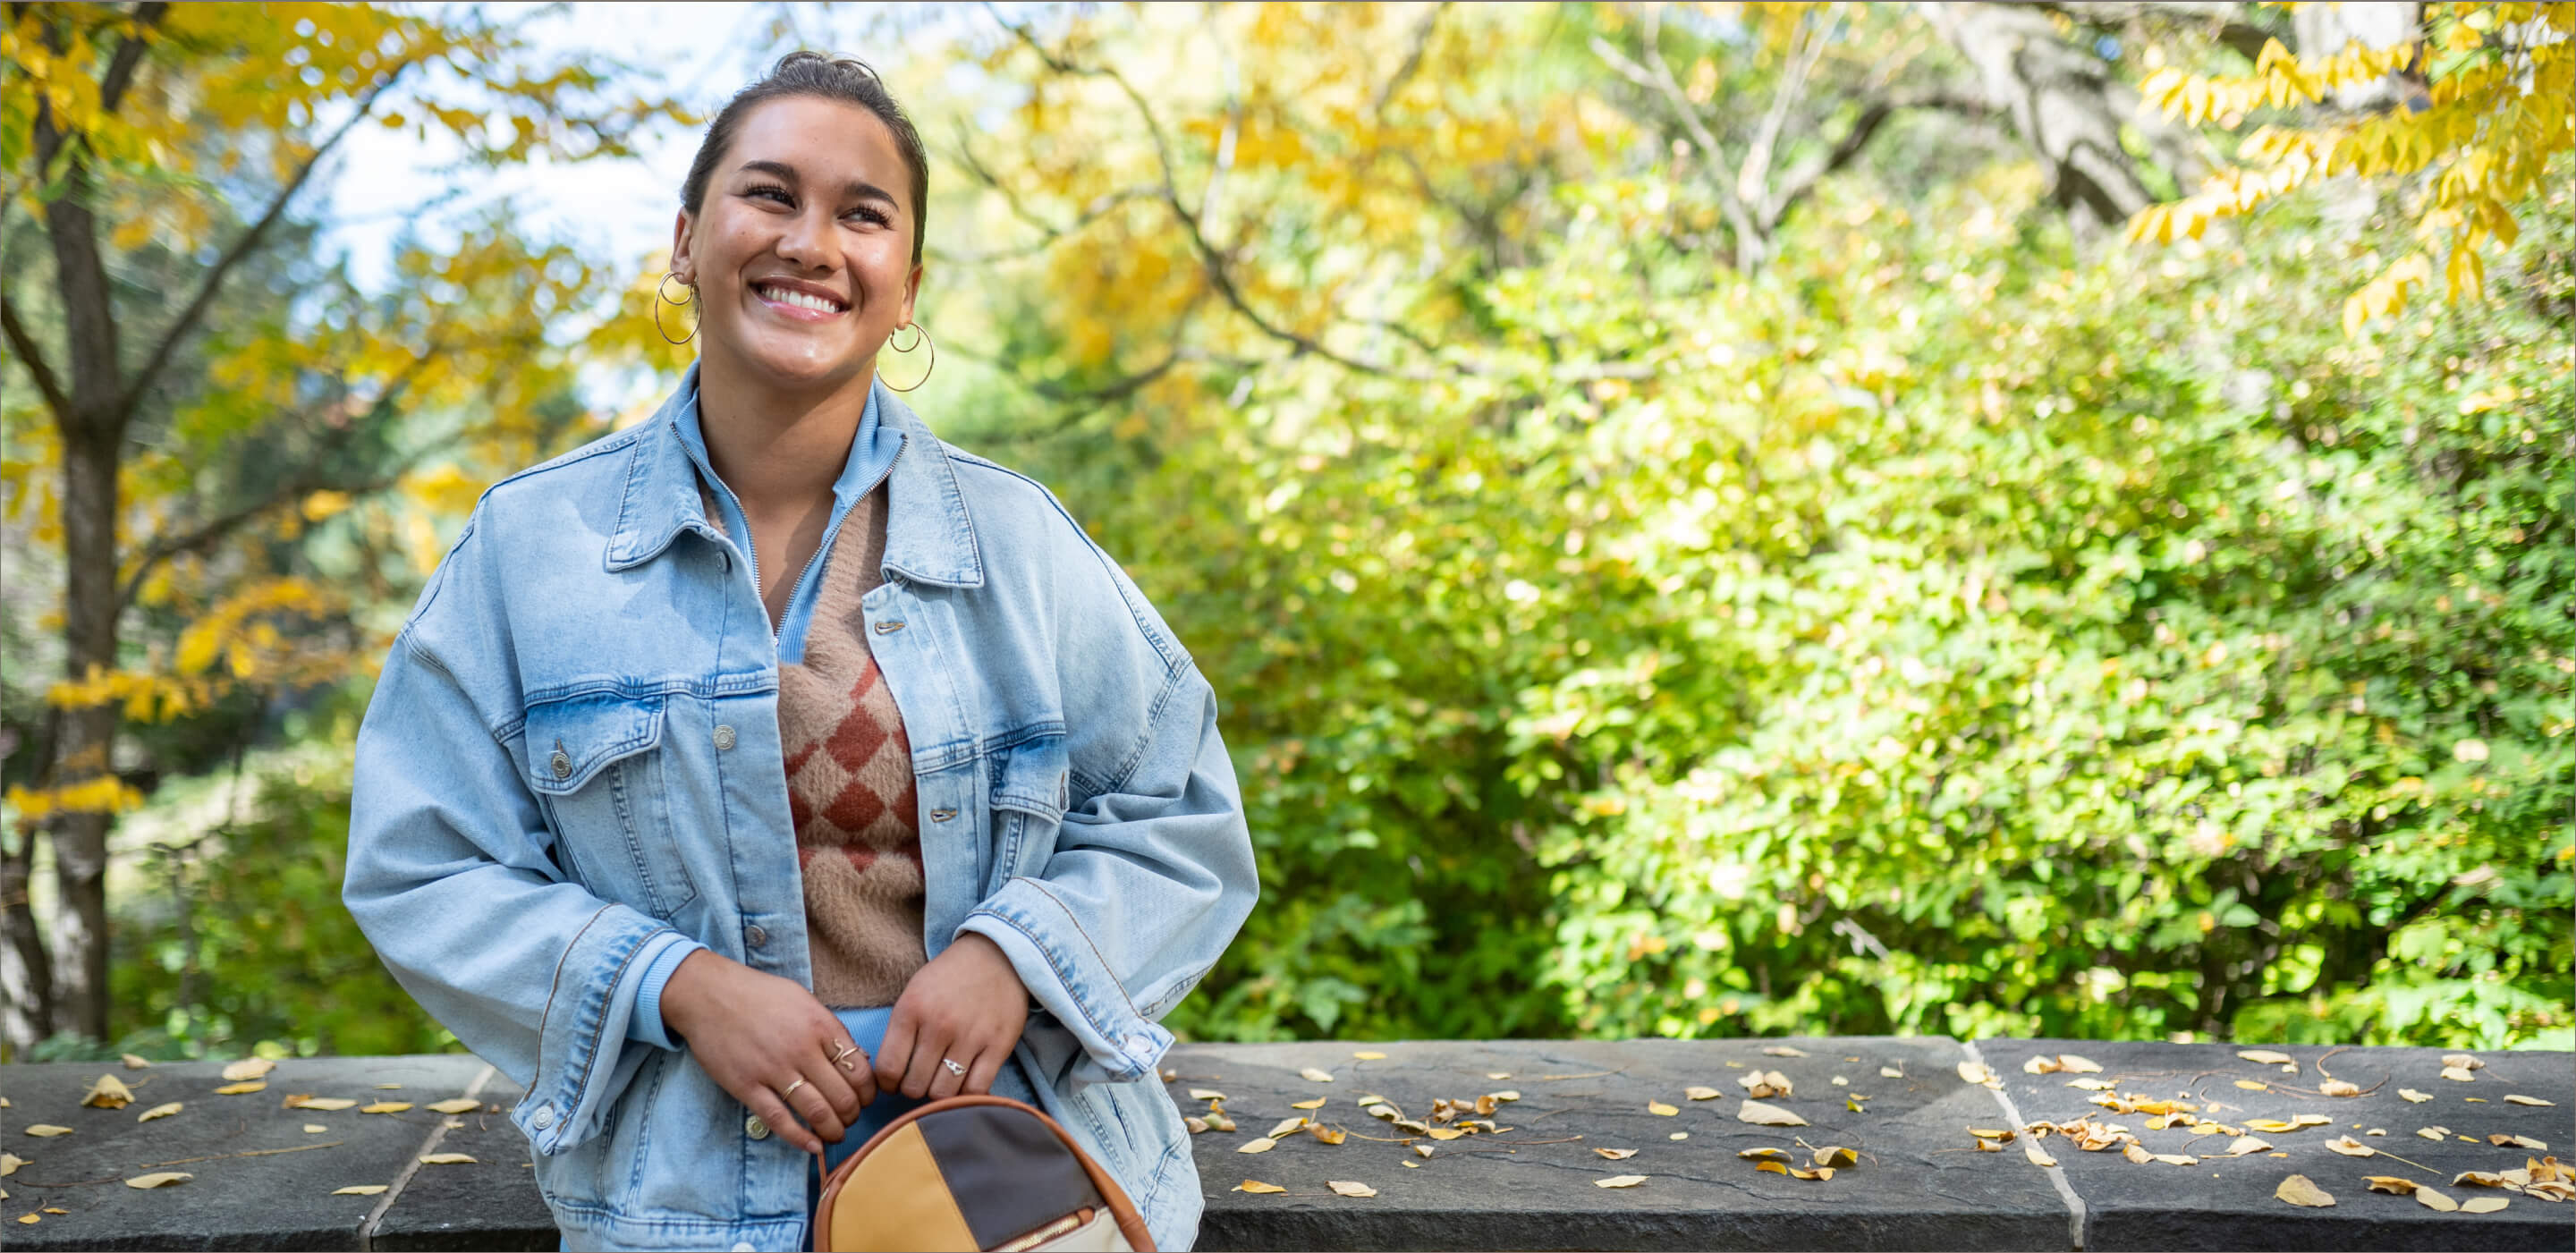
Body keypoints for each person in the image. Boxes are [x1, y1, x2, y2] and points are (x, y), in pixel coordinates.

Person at [344, 51, 1258, 1253]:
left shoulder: (1020, 543)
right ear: (686, 238)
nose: (811, 241)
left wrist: (1015, 956)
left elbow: (1180, 810)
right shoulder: (533, 549)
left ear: (908, 283)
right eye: (769, 194)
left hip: (1016, 1191)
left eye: (862, 214)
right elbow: (420, 861)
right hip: (677, 1212)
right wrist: (674, 985)